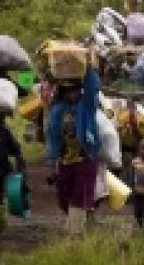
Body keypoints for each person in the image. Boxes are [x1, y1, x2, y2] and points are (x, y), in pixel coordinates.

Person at [47, 71, 102, 231]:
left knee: (81, 193)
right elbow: (53, 135)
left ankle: (74, 231)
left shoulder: (87, 105)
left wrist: (89, 68)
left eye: (75, 90)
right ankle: (78, 224)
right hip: (65, 158)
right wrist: (52, 161)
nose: (72, 94)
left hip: (85, 157)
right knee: (64, 196)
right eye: (68, 91)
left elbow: (93, 88)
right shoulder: (58, 109)